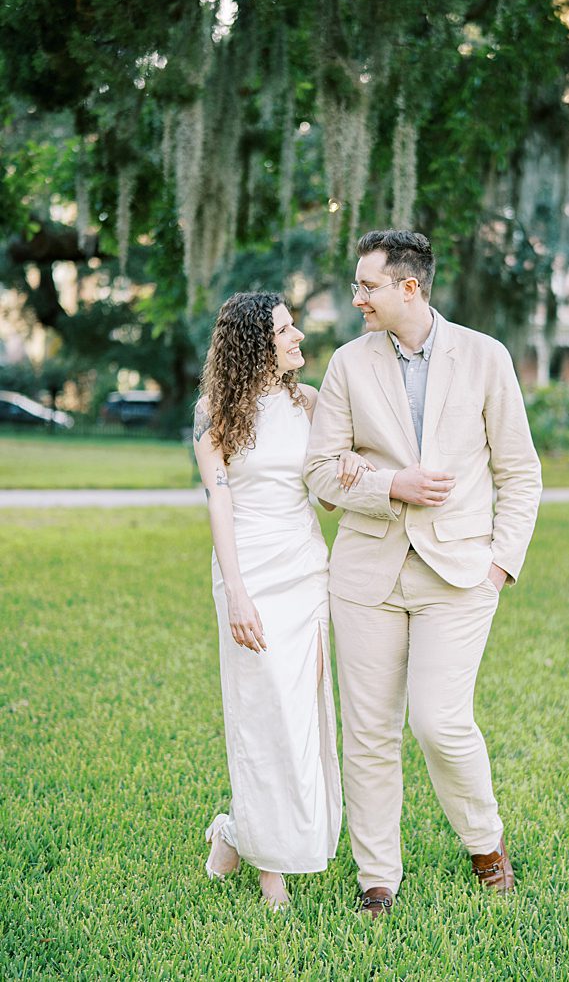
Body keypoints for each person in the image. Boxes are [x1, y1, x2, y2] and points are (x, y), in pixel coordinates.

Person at [303, 229, 542, 918]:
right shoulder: (348, 365)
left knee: (440, 721)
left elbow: (521, 473)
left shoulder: (486, 358)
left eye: (368, 286)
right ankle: (378, 876)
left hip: (460, 574)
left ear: (410, 287)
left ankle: (485, 843)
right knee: (370, 729)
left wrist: (500, 565)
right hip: (366, 573)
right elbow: (321, 472)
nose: (357, 299)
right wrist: (388, 485)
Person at [194, 291, 367, 909]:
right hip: (250, 575)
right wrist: (236, 594)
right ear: (255, 343)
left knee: (299, 717)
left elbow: (323, 498)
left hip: (303, 571)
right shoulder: (215, 413)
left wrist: (345, 473)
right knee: (262, 715)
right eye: (287, 330)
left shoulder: (311, 403)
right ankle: (272, 872)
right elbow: (220, 501)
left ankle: (236, 830)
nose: (299, 338)